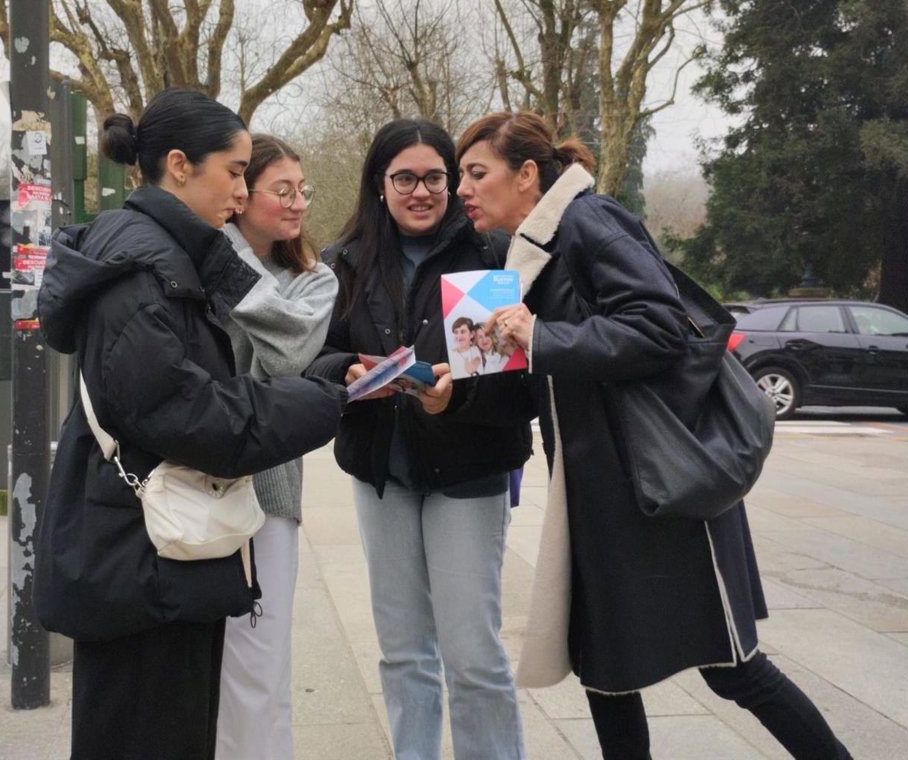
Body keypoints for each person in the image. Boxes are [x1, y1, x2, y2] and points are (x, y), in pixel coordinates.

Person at [455, 110, 852, 760]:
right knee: (606, 671)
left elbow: (661, 328)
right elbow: (565, 373)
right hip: (599, 495)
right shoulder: (531, 252)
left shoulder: (588, 220)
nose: (463, 189)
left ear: (526, 174)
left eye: (477, 173)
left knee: (732, 668)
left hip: (665, 482)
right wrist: (472, 372)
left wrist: (542, 335)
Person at [34, 88, 347, 760]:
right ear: (179, 165)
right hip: (140, 557)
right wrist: (319, 400)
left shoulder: (158, 252)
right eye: (234, 171)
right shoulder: (143, 267)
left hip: (145, 552)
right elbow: (188, 413)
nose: (240, 190)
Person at [307, 118, 533, 760]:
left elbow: (523, 385)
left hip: (470, 470)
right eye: (403, 178)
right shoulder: (342, 261)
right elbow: (311, 358)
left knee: (472, 654)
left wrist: (456, 396)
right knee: (403, 651)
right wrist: (345, 373)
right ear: (379, 185)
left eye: (435, 177)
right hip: (384, 472)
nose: (421, 191)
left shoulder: (492, 253)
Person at [216, 134, 338, 760]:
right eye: (283, 190)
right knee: (203, 667)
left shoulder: (314, 280)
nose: (298, 204)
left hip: (268, 490)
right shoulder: (196, 258)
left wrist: (223, 255)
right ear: (240, 195)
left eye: (302, 191)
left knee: (262, 663)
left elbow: (289, 356)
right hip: (189, 484)